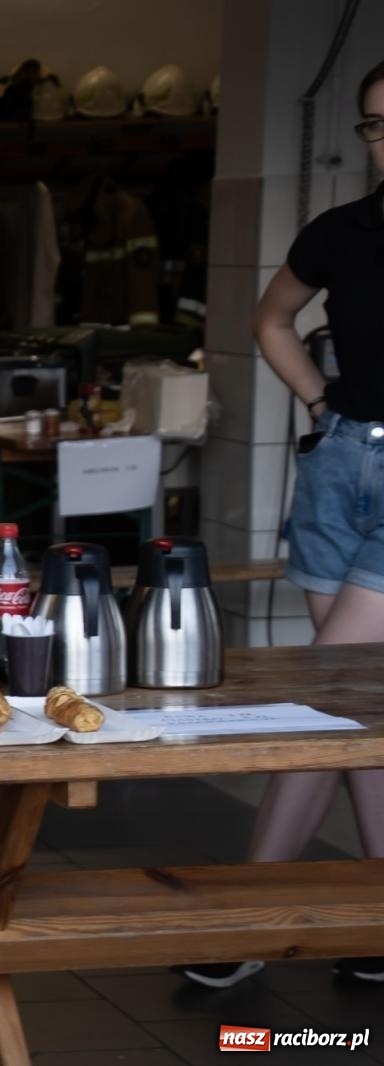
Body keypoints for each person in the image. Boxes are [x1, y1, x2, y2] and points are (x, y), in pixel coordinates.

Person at [177, 60, 384, 991]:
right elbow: (272, 320)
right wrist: (317, 405)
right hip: (340, 463)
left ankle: (246, 917)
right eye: (376, 125)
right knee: (366, 704)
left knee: (332, 693)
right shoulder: (341, 231)